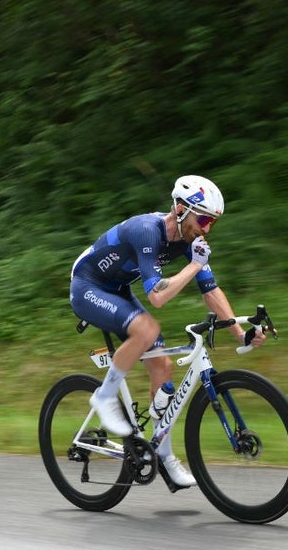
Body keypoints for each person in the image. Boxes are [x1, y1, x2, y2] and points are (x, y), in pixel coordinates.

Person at [69, 175, 264, 489]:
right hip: (87, 287)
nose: (206, 229)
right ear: (180, 209)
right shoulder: (147, 230)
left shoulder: (189, 241)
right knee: (148, 329)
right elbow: (158, 296)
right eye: (203, 219)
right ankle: (104, 398)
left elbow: (210, 291)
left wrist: (240, 335)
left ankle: (164, 455)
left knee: (163, 366)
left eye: (212, 222)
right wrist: (193, 265)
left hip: (117, 289)